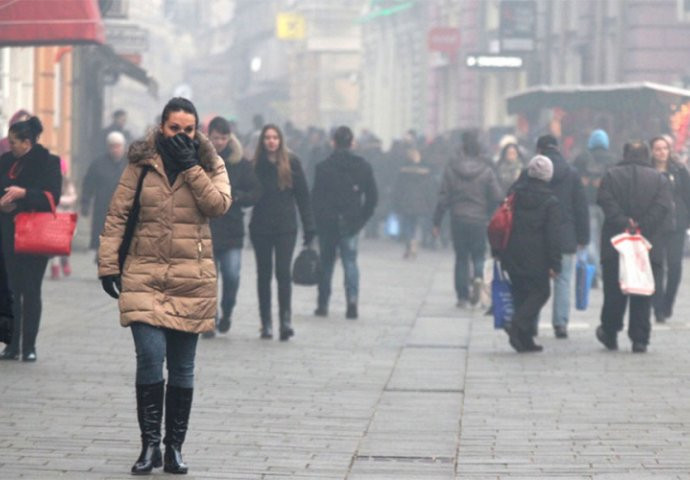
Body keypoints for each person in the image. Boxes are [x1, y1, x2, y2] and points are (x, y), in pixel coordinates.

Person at [97, 97, 231, 474]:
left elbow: (219, 204)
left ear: (197, 130)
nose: (181, 135)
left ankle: (174, 448)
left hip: (193, 279)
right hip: (144, 274)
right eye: (175, 129)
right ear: (162, 127)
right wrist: (108, 265)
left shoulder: (209, 162)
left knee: (183, 367)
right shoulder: (141, 162)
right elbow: (118, 213)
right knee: (150, 358)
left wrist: (191, 166)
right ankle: (149, 446)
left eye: (189, 130)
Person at [596, 141, 673, 353]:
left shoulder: (611, 175)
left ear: (625, 153)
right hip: (647, 244)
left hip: (616, 243)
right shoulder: (659, 179)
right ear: (647, 155)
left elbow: (604, 199)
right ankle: (639, 339)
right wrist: (642, 225)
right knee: (643, 292)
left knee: (614, 291)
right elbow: (662, 206)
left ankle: (609, 332)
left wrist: (623, 222)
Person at [0, 116, 62, 361]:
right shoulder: (4, 161)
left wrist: (24, 193)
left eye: (14, 142)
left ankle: (30, 346)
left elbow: (52, 197)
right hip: (6, 235)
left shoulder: (49, 162)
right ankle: (11, 344)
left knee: (31, 291)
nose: (10, 145)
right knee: (10, 291)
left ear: (27, 142)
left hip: (35, 237)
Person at [249, 124, 315, 340]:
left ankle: (285, 321)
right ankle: (266, 323)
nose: (271, 141)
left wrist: (309, 227)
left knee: (283, 273)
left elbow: (303, 197)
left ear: (280, 140)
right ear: (262, 141)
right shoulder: (255, 165)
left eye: (275, 137)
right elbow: (247, 192)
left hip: (286, 227)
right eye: (267, 137)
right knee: (264, 274)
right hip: (260, 227)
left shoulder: (292, 163)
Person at [203, 116, 261, 338]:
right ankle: (209, 318)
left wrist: (238, 197)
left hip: (232, 229)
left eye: (224, 138)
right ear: (209, 137)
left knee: (232, 275)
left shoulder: (240, 163)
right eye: (216, 138)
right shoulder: (199, 160)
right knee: (207, 279)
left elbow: (256, 191)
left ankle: (227, 311)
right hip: (205, 228)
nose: (220, 142)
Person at [312, 126, 378, 319]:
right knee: (350, 262)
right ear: (352, 143)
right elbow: (373, 197)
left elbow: (315, 198)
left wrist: (317, 222)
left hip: (328, 223)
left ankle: (323, 303)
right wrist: (362, 218)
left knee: (326, 263)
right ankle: (352, 301)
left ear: (333, 142)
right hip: (351, 222)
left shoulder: (323, 167)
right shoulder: (363, 166)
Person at [432, 130, 503, 307]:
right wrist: (489, 213)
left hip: (458, 218)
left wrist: (436, 221)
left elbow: (443, 198)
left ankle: (462, 297)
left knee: (461, 257)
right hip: (479, 219)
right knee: (479, 255)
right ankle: (478, 278)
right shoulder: (487, 170)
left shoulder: (452, 169)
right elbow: (497, 196)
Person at [500, 155, 561, 352]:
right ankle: (517, 325)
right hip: (537, 255)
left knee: (521, 294)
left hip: (512, 250)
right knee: (541, 292)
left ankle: (524, 340)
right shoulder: (550, 201)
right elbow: (553, 236)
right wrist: (555, 263)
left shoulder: (515, 193)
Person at [534, 134, 589, 338]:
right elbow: (581, 208)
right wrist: (583, 238)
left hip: (537, 235)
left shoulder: (532, 173)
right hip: (565, 234)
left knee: (537, 280)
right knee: (563, 280)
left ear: (539, 150)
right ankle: (560, 324)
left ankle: (532, 322)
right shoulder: (572, 174)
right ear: (558, 149)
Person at [649, 136, 690, 323]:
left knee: (675, 267)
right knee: (657, 266)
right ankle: (657, 307)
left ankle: (667, 304)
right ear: (651, 151)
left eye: (664, 148)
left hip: (677, 224)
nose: (661, 152)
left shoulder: (679, 170)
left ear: (669, 150)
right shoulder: (647, 171)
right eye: (657, 149)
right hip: (655, 226)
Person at [573, 129, 616, 282]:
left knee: (590, 240)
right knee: (605, 239)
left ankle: (595, 271)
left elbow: (572, 179)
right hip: (607, 205)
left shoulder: (581, 158)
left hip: (587, 203)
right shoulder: (612, 160)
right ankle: (605, 270)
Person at [81, 131, 128, 253]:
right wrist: (85, 203)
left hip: (125, 208)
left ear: (123, 147)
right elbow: (88, 185)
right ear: (108, 147)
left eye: (118, 146)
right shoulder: (98, 163)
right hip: (102, 207)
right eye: (112, 146)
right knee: (102, 241)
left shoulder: (131, 164)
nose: (115, 150)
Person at [391, 147, 436, 258]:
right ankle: (414, 242)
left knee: (407, 224)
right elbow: (429, 189)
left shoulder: (402, 172)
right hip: (421, 203)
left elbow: (397, 189)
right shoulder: (426, 173)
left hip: (405, 202)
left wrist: (395, 203)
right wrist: (431, 203)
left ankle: (410, 244)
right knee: (416, 224)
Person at [50, 158, 77, 279]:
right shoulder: (49, 183)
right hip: (54, 216)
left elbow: (72, 197)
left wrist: (60, 200)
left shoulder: (68, 184)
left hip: (66, 217)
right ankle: (55, 267)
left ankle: (64, 261)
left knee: (65, 243)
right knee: (54, 244)